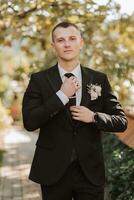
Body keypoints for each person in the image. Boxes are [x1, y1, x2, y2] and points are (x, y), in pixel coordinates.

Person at [22, 22, 127, 200]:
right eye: (60, 40)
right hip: (53, 170)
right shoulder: (39, 80)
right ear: (53, 46)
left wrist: (94, 116)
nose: (67, 44)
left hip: (89, 172)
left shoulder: (99, 79)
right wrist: (62, 95)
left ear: (81, 43)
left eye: (72, 38)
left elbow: (121, 122)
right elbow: (30, 122)